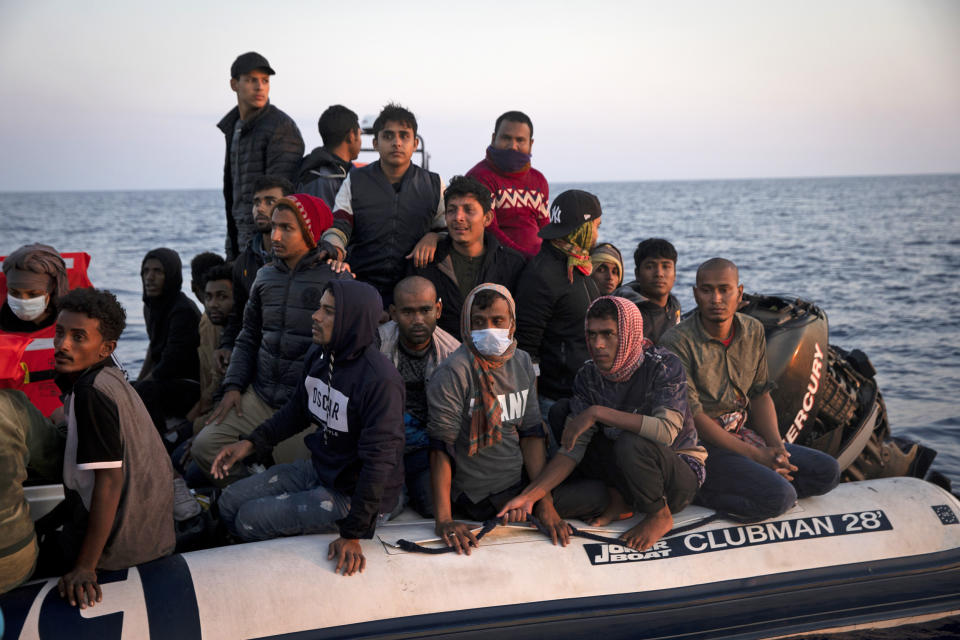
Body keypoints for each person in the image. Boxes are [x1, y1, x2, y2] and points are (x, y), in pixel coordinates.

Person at [211, 279, 404, 577]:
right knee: (228, 502)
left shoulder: (380, 380)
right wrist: (250, 443)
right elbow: (298, 410)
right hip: (321, 469)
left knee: (247, 519)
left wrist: (354, 533)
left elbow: (379, 462)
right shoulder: (321, 355)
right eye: (319, 308)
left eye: (328, 311)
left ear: (352, 320)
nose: (315, 316)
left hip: (355, 496)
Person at [498, 296, 707, 551]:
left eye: (608, 334)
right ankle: (619, 500)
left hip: (675, 474)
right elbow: (572, 449)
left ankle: (659, 514)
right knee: (563, 414)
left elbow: (665, 432)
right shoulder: (589, 375)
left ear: (629, 334)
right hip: (625, 470)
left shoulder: (663, 365)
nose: (597, 344)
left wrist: (597, 412)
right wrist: (532, 497)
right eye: (592, 334)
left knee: (631, 442)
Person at [660, 258, 839, 520]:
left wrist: (777, 449)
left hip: (740, 433)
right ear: (696, 294)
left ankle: (759, 481)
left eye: (725, 289)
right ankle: (698, 492)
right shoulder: (677, 342)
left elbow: (760, 393)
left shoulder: (752, 330)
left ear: (739, 293)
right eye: (707, 290)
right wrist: (757, 456)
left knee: (828, 472)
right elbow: (695, 418)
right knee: (780, 497)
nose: (716, 298)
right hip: (699, 446)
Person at [193, 194, 350, 485]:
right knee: (205, 448)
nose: (275, 235)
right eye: (274, 226)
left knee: (296, 471)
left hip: (306, 407)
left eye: (287, 228)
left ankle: (260, 493)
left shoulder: (337, 279)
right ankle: (254, 486)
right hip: (261, 395)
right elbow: (248, 336)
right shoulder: (264, 276)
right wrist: (234, 386)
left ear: (310, 232)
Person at [45, 288, 174, 608]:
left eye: (78, 337)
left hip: (121, 545)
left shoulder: (91, 394)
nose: (63, 344)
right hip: (153, 533)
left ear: (106, 349)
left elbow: (109, 482)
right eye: (59, 333)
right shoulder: (110, 376)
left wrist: (86, 567)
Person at [427, 284, 555, 554]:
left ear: (512, 324)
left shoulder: (521, 362)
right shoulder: (454, 371)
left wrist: (544, 504)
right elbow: (441, 449)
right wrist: (445, 520)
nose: (489, 330)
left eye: (498, 321)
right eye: (479, 322)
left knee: (596, 495)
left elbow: (531, 435)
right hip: (475, 493)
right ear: (466, 325)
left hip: (516, 481)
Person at [321, 103, 446, 305]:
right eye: (388, 136)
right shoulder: (355, 179)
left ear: (415, 143)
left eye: (404, 136)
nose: (396, 142)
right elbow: (340, 225)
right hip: (362, 287)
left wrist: (434, 237)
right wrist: (334, 249)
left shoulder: (433, 184)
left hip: (414, 294)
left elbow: (450, 231)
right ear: (376, 142)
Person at [515, 189, 602, 419]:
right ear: (582, 229)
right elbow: (526, 348)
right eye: (596, 226)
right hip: (555, 402)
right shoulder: (543, 274)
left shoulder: (579, 264)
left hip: (586, 394)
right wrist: (532, 416)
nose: (597, 235)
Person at [378, 276, 460, 517]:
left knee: (433, 506)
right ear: (393, 313)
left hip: (426, 449)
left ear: (438, 309)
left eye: (425, 310)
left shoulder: (452, 353)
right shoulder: (376, 343)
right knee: (383, 508)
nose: (417, 320)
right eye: (407, 312)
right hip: (384, 447)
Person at [1, 244, 82, 481]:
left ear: (53, 290)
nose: (22, 300)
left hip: (58, 427)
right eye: (14, 292)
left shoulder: (78, 328)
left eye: (32, 295)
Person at [413, 175, 526, 340]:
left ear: (487, 218)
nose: (458, 217)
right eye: (451, 210)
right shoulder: (426, 261)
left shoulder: (511, 264)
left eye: (468, 210)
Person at [218, 51, 304, 260]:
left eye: (265, 81)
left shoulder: (280, 127)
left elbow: (282, 199)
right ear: (234, 84)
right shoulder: (235, 128)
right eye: (251, 80)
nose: (259, 87)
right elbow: (234, 198)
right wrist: (232, 250)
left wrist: (267, 248)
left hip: (268, 246)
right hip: (241, 241)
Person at [217, 175, 293, 373]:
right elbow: (238, 314)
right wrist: (226, 345)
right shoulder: (244, 262)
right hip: (254, 354)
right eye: (256, 202)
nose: (260, 208)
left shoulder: (299, 257)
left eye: (270, 202)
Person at [133, 248, 201, 439]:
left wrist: (137, 390)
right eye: (145, 271)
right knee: (127, 388)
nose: (150, 277)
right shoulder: (151, 306)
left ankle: (161, 442)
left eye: (158, 272)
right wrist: (135, 384)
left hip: (190, 385)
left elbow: (169, 364)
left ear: (170, 275)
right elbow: (153, 351)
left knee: (144, 391)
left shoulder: (182, 310)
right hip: (166, 381)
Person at [466, 111, 549, 258]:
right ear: (493, 138)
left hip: (538, 261)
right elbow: (489, 230)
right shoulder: (479, 177)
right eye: (506, 138)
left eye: (520, 140)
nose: (513, 146)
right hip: (501, 260)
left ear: (531, 143)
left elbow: (545, 227)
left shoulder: (539, 180)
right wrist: (525, 257)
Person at [186, 263, 234, 432]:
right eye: (208, 297)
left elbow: (214, 392)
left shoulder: (241, 339)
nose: (213, 304)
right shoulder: (209, 321)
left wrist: (191, 425)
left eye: (222, 297)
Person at [615, 238, 682, 344]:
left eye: (666, 266)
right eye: (650, 267)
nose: (659, 273)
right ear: (637, 274)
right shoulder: (624, 313)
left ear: (675, 274)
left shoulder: (674, 306)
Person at [296, 105, 362, 209]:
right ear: (351, 136)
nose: (361, 141)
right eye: (360, 134)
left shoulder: (345, 172)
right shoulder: (320, 179)